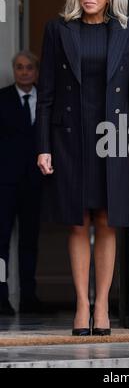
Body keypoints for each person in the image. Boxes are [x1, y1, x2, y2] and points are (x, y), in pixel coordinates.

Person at [36, 0, 129, 336]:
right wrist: (44, 146)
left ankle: (102, 306)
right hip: (69, 136)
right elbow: (47, 93)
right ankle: (81, 306)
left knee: (106, 220)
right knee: (76, 220)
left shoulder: (128, 31)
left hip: (112, 136)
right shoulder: (58, 30)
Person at [0, 51, 43, 315]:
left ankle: (29, 297)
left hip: (35, 182)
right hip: (4, 182)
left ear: (36, 71)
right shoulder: (2, 99)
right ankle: (1, 298)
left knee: (30, 241)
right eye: (19, 67)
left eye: (29, 67)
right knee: (0, 242)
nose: (24, 71)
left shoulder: (47, 99)